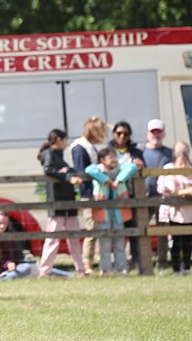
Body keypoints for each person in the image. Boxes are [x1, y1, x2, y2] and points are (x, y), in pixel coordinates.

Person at [36, 129, 84, 277]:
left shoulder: (57, 156)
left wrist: (67, 171)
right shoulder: (50, 154)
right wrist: (66, 177)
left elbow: (66, 169)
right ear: (58, 139)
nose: (66, 143)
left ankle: (81, 269)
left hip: (66, 200)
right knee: (53, 238)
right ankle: (44, 271)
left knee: (74, 237)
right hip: (57, 201)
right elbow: (48, 170)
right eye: (64, 140)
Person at [85, 146, 137, 276]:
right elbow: (88, 169)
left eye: (115, 157)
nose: (114, 160)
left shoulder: (121, 169)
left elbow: (132, 167)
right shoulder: (98, 171)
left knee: (120, 241)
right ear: (102, 160)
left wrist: (118, 180)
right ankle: (106, 269)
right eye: (110, 157)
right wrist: (107, 180)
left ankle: (121, 269)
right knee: (105, 243)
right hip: (103, 212)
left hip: (118, 212)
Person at [157, 142, 192, 275]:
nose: (183, 166)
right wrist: (188, 191)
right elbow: (171, 191)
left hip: (189, 215)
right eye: (180, 163)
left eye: (185, 162)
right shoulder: (171, 173)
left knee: (187, 244)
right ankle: (176, 268)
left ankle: (187, 268)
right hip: (175, 215)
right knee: (175, 244)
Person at [70, 116, 108, 272]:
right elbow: (82, 172)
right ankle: (87, 263)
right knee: (91, 229)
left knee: (97, 228)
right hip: (88, 193)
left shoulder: (89, 146)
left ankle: (97, 262)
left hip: (96, 192)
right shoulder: (80, 148)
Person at [109, 121, 145, 268]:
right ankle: (119, 263)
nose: (122, 136)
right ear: (114, 134)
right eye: (119, 133)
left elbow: (144, 170)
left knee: (133, 229)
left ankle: (136, 261)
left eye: (126, 134)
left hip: (131, 195)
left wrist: (141, 166)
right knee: (116, 230)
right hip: (113, 195)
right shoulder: (108, 151)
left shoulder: (136, 151)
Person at [141, 119, 174, 269]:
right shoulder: (141, 153)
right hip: (144, 199)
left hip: (163, 200)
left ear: (163, 133)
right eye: (153, 132)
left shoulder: (170, 153)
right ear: (148, 134)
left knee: (163, 232)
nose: (156, 135)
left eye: (158, 132)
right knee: (141, 231)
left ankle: (162, 263)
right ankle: (142, 261)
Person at [0, 211, 38, 279]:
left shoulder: (10, 235)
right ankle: (1, 277)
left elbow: (16, 256)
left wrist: (11, 264)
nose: (2, 226)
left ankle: (2, 278)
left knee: (26, 267)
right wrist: (6, 264)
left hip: (7, 270)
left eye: (5, 223)